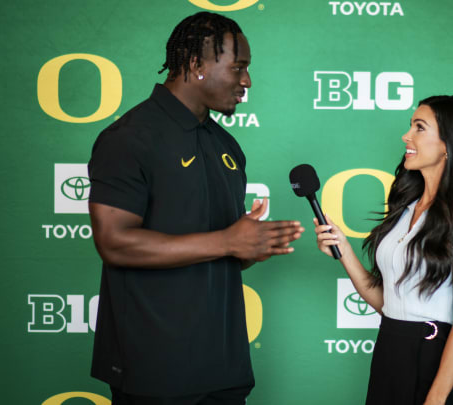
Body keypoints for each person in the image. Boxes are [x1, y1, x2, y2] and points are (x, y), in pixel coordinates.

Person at [88, 12, 304, 404]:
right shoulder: (129, 139)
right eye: (238, 68)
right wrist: (227, 241)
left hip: (224, 369)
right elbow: (114, 242)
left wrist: (250, 246)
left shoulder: (226, 145)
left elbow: (217, 250)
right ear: (195, 65)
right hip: (154, 371)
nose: (247, 82)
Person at [314, 95, 453, 405]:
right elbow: (388, 304)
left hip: (432, 360)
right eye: (411, 125)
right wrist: (342, 248)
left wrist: (436, 399)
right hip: (389, 351)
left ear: (447, 144)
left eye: (419, 127)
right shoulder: (404, 207)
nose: (406, 136)